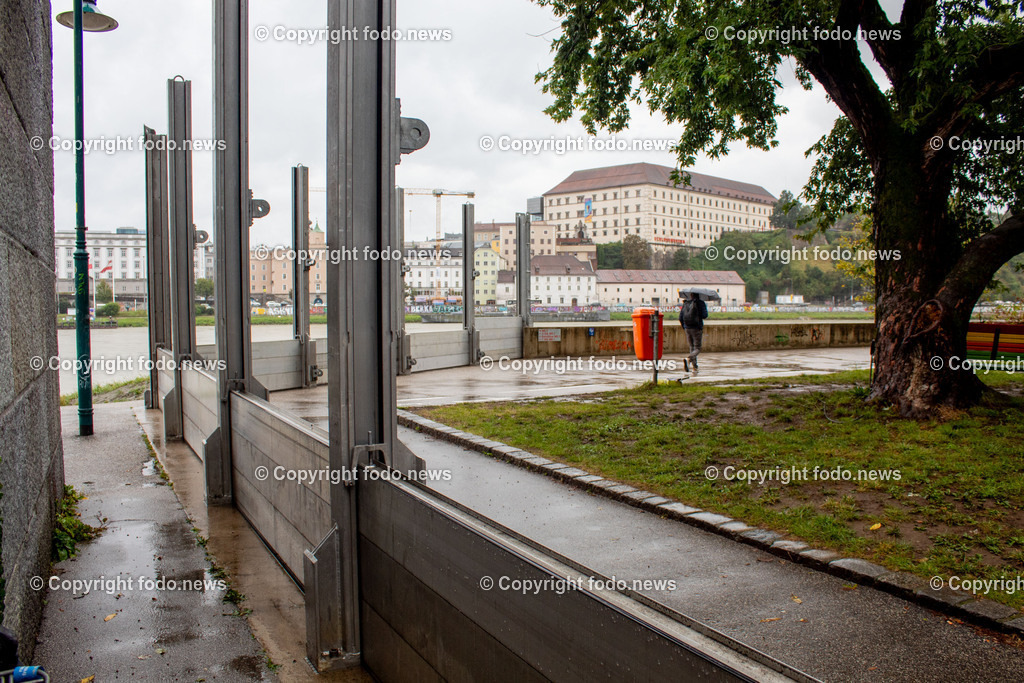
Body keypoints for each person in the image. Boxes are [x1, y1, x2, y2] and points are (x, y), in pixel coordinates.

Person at [679, 292, 708, 374]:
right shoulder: (700, 303)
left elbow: (680, 317)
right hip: (697, 328)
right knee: (698, 348)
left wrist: (684, 327)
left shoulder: (686, 303)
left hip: (687, 328)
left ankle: (695, 367)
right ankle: (689, 359)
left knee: (692, 347)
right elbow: (705, 315)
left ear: (691, 295)